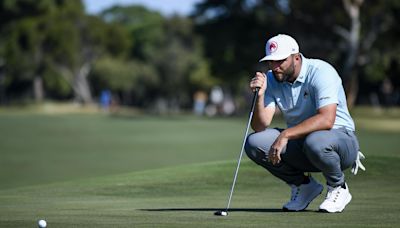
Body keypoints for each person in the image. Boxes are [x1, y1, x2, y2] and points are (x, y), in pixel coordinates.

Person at [244, 34, 365, 213]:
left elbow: (326, 119)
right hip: (303, 144)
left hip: (340, 143)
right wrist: (260, 95)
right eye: (271, 62)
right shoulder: (271, 79)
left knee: (315, 141)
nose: (275, 67)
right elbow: (260, 126)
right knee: (254, 143)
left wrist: (285, 134)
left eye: (280, 61)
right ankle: (304, 186)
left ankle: (338, 186)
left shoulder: (321, 71)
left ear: (297, 58)